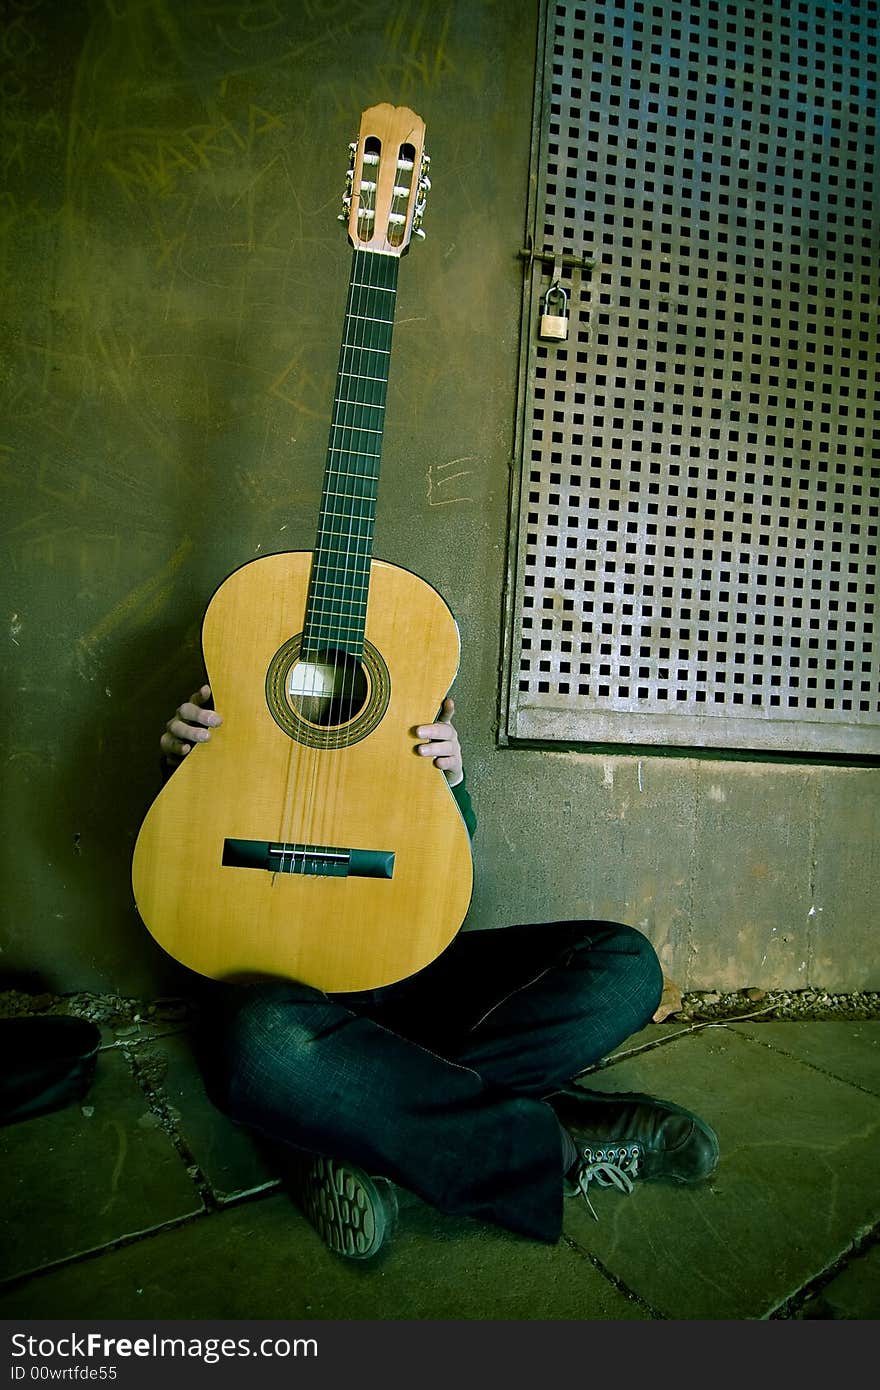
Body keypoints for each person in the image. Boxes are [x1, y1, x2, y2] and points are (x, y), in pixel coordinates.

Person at [159, 683, 719, 1260]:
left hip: (415, 977)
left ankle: (347, 1125)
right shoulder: (245, 656)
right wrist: (183, 774)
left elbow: (440, 868)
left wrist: (449, 785)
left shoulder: (402, 671)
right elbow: (183, 862)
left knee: (624, 966)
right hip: (293, 999)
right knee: (260, 1040)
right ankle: (548, 1133)